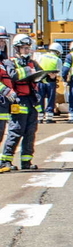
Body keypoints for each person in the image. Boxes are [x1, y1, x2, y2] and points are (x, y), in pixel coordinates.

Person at [0, 35, 43, 172]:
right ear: (17, 48)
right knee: (16, 130)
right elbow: (13, 75)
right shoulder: (9, 62)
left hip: (31, 101)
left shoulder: (33, 63)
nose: (27, 50)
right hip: (18, 100)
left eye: (28, 48)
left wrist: (49, 76)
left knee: (30, 131)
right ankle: (5, 161)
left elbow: (40, 74)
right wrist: (28, 70)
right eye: (24, 48)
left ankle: (26, 161)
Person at [37, 43, 63, 123]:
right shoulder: (57, 59)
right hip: (51, 81)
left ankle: (39, 118)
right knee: (50, 99)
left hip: (40, 80)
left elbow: (36, 67)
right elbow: (60, 73)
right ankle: (49, 118)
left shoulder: (41, 56)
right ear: (58, 52)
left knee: (40, 99)